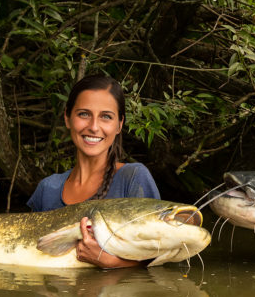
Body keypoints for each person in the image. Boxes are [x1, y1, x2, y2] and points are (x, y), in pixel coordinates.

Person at [28, 74, 160, 268]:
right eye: (84, 114)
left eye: (106, 117)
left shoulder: (133, 178)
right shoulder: (47, 188)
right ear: (67, 118)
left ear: (119, 125)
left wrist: (108, 262)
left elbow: (157, 260)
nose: (93, 127)